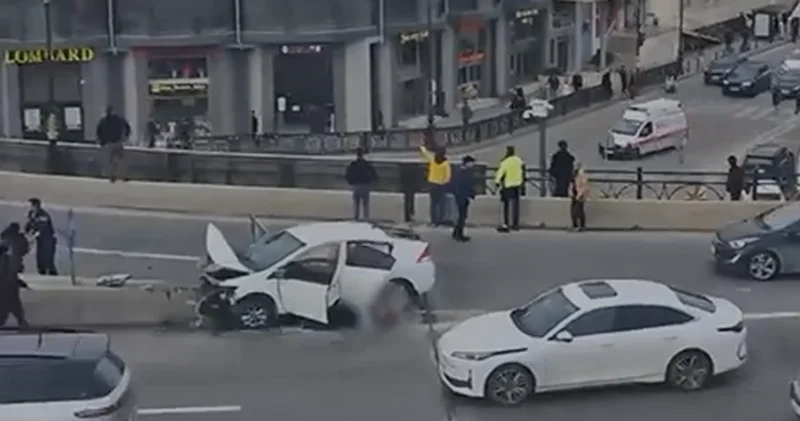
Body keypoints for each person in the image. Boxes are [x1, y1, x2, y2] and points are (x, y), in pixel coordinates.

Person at [95, 105, 131, 182]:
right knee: (120, 160)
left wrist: (101, 141)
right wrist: (126, 136)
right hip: (117, 141)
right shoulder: (118, 119)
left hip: (109, 143)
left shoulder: (104, 120)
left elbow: (98, 131)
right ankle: (122, 175)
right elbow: (127, 127)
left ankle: (114, 175)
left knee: (111, 161)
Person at [494, 146, 525, 232]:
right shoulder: (519, 160)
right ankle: (515, 224)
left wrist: (496, 183)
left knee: (506, 206)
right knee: (516, 206)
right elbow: (523, 171)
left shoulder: (505, 161)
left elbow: (500, 173)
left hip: (508, 185)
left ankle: (506, 223)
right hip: (517, 185)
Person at [420, 145, 452, 226]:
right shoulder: (445, 163)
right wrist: (444, 182)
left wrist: (422, 146)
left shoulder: (432, 159)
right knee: (441, 204)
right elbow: (448, 176)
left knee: (433, 204)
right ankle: (441, 220)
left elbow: (424, 152)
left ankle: (433, 221)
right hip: (441, 185)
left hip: (432, 184)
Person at [24, 198, 57, 276]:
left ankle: (54, 276)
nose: (29, 208)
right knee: (40, 261)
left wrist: (32, 238)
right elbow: (29, 225)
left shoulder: (43, 216)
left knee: (47, 260)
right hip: (41, 241)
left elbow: (42, 230)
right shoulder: (32, 214)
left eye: (30, 206)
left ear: (35, 206)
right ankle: (42, 274)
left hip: (48, 240)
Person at [0, 241, 29, 327]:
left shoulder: (6, 259)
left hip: (5, 287)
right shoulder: (6, 259)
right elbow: (10, 273)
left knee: (7, 307)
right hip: (9, 287)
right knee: (14, 306)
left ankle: (21, 322)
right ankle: (22, 323)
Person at [345, 148, 378, 221]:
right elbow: (374, 174)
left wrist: (351, 183)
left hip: (356, 185)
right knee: (366, 203)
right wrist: (372, 182)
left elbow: (348, 175)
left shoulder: (353, 164)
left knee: (356, 203)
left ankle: (356, 217)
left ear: (356, 155)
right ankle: (366, 218)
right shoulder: (367, 164)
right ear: (363, 154)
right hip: (366, 185)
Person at [450, 156, 476, 242]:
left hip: (460, 196)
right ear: (467, 163)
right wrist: (471, 194)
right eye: (471, 163)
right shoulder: (464, 173)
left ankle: (456, 233)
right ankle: (459, 235)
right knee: (462, 216)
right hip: (462, 196)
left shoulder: (459, 171)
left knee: (461, 216)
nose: (472, 164)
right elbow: (466, 185)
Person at [569, 162, 589, 231]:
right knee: (574, 211)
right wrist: (571, 193)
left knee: (578, 211)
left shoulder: (581, 175)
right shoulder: (574, 175)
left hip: (580, 195)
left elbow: (584, 187)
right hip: (575, 195)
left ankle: (579, 226)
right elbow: (572, 184)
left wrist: (579, 195)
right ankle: (577, 225)